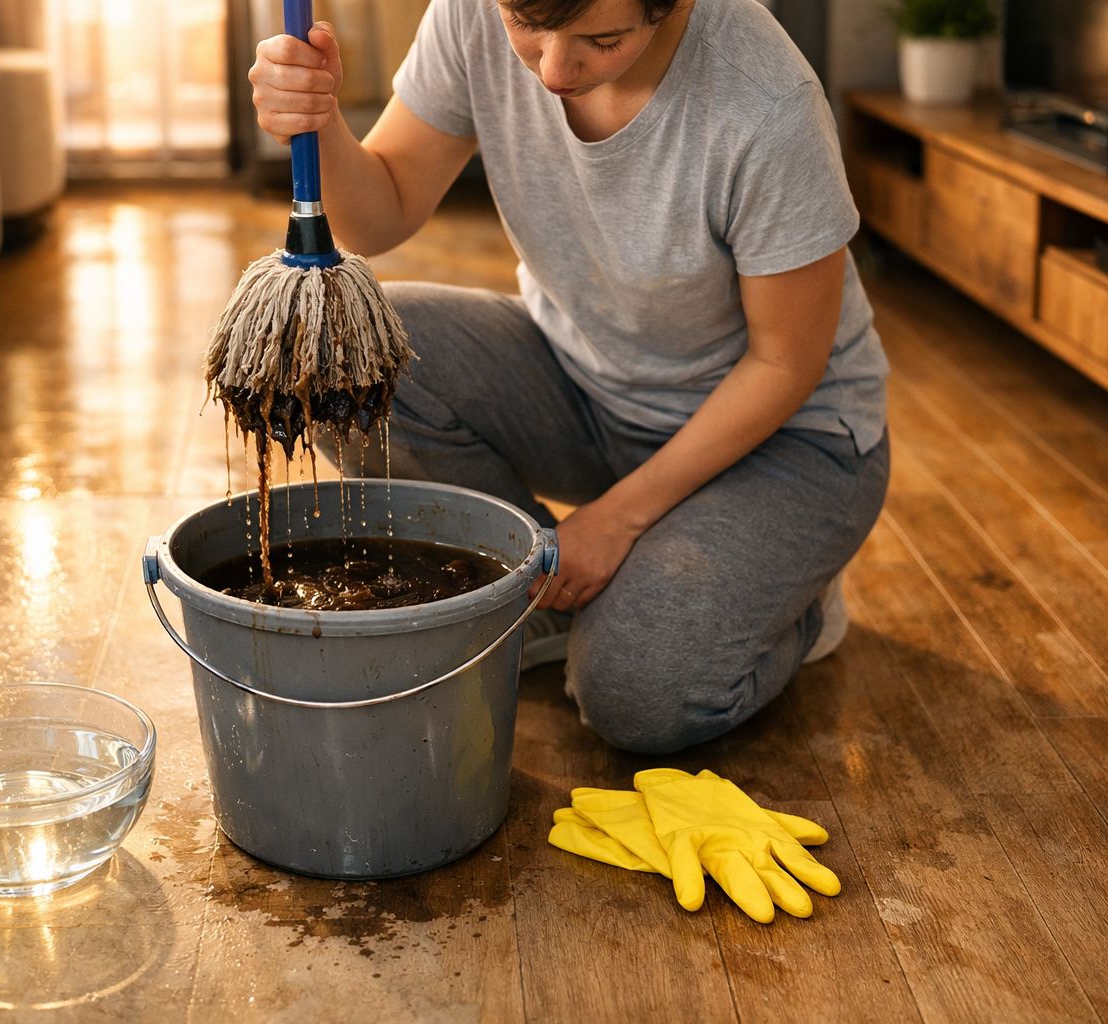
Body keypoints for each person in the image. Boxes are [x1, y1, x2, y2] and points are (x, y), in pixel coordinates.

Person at [248, 0, 890, 754]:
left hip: (785, 440)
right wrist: (318, 119)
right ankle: (547, 591)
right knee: (333, 349)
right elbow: (381, 213)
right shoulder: (472, 12)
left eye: (603, 39)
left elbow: (787, 363)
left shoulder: (767, 103)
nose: (553, 71)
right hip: (586, 387)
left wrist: (614, 520)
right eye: (526, 26)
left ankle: (792, 602)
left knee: (636, 698)